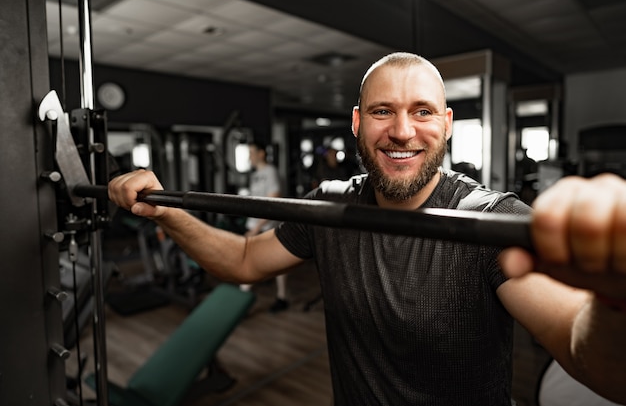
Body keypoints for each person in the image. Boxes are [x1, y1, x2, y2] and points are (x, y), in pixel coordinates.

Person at [108, 52, 626, 405]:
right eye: (384, 111)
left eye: (422, 112)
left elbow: (590, 360)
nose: (402, 130)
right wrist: (166, 212)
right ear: (357, 123)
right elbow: (243, 261)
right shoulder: (330, 207)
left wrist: (614, 300)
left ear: (446, 123)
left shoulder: (491, 220)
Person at [239, 140, 289, 313]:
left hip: (267, 225)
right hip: (254, 224)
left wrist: (257, 227)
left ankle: (242, 300)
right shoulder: (254, 175)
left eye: (252, 153)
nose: (250, 157)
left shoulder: (271, 172)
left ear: (262, 153)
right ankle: (280, 297)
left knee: (260, 261)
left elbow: (272, 200)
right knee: (267, 261)